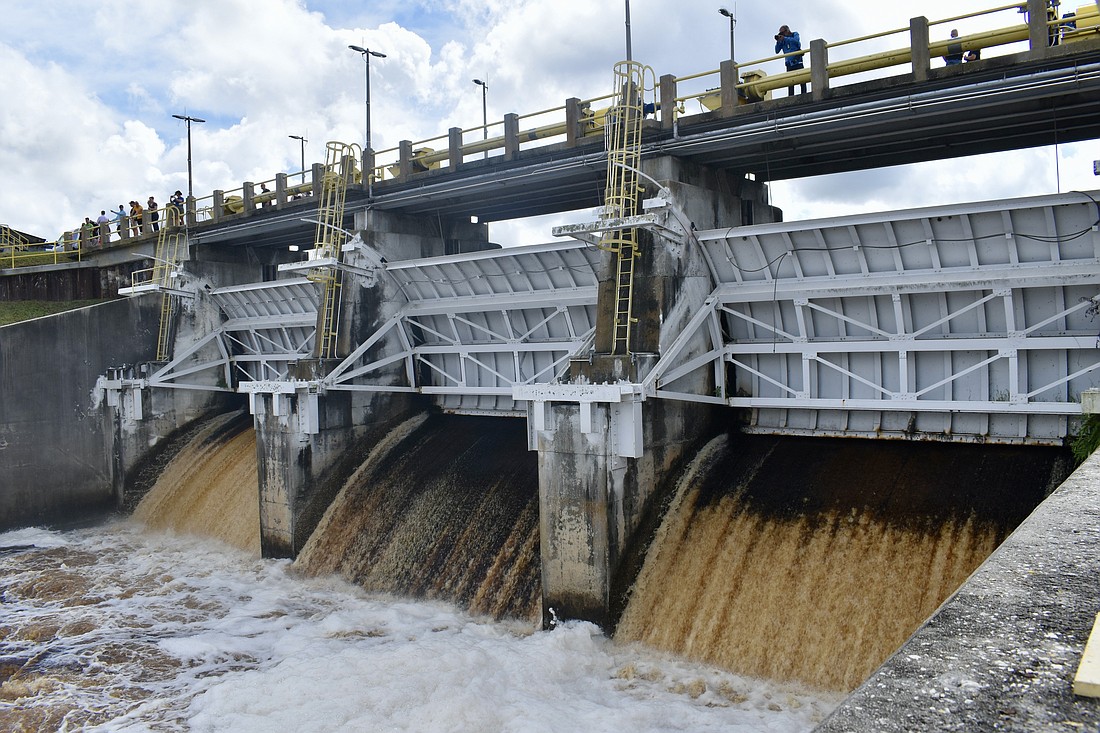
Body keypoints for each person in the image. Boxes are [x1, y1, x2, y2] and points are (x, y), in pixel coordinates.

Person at [774, 25, 807, 96]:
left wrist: (785, 38)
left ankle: (804, 95)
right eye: (780, 34)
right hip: (789, 65)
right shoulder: (782, 41)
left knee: (802, 80)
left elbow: (796, 42)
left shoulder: (795, 34)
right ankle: (791, 97)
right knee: (790, 83)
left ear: (787, 31)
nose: (782, 35)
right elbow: (777, 51)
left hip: (798, 62)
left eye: (782, 33)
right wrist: (778, 41)